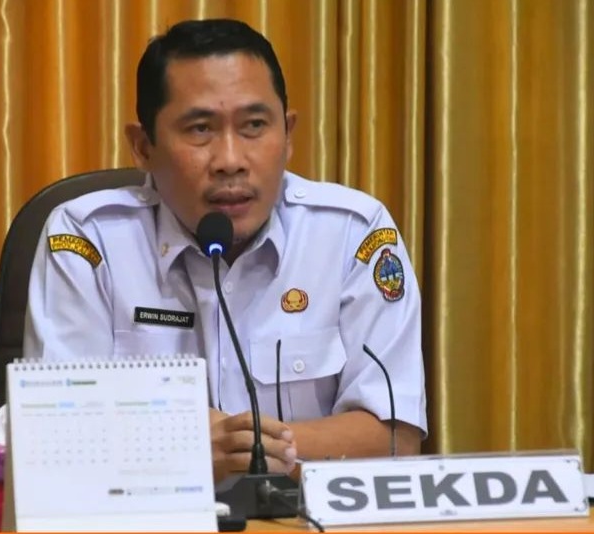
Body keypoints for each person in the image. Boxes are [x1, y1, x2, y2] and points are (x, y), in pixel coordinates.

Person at [24, 18, 427, 484]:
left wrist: (235, 447)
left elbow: (393, 439)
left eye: (254, 125)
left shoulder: (352, 235)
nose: (231, 160)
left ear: (288, 134)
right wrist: (193, 448)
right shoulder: (90, 241)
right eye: (200, 129)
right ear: (143, 147)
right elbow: (56, 435)